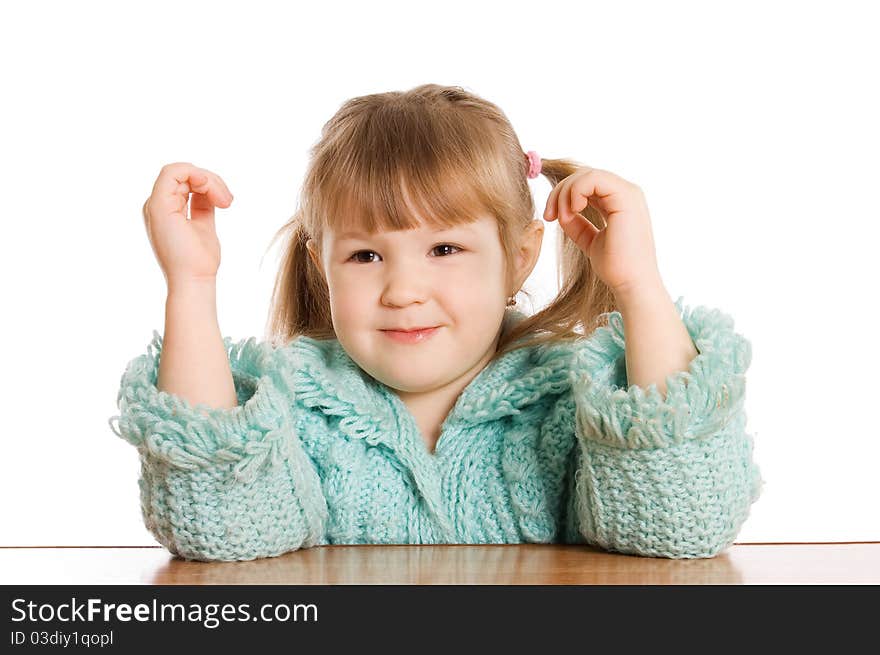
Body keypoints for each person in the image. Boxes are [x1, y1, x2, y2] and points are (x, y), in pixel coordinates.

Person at [109, 83, 763, 562]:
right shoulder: (296, 407)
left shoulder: (570, 399)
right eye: (365, 255)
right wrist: (191, 285)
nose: (403, 289)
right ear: (322, 266)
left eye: (444, 249)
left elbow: (685, 521)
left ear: (518, 258)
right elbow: (219, 531)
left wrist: (638, 284)